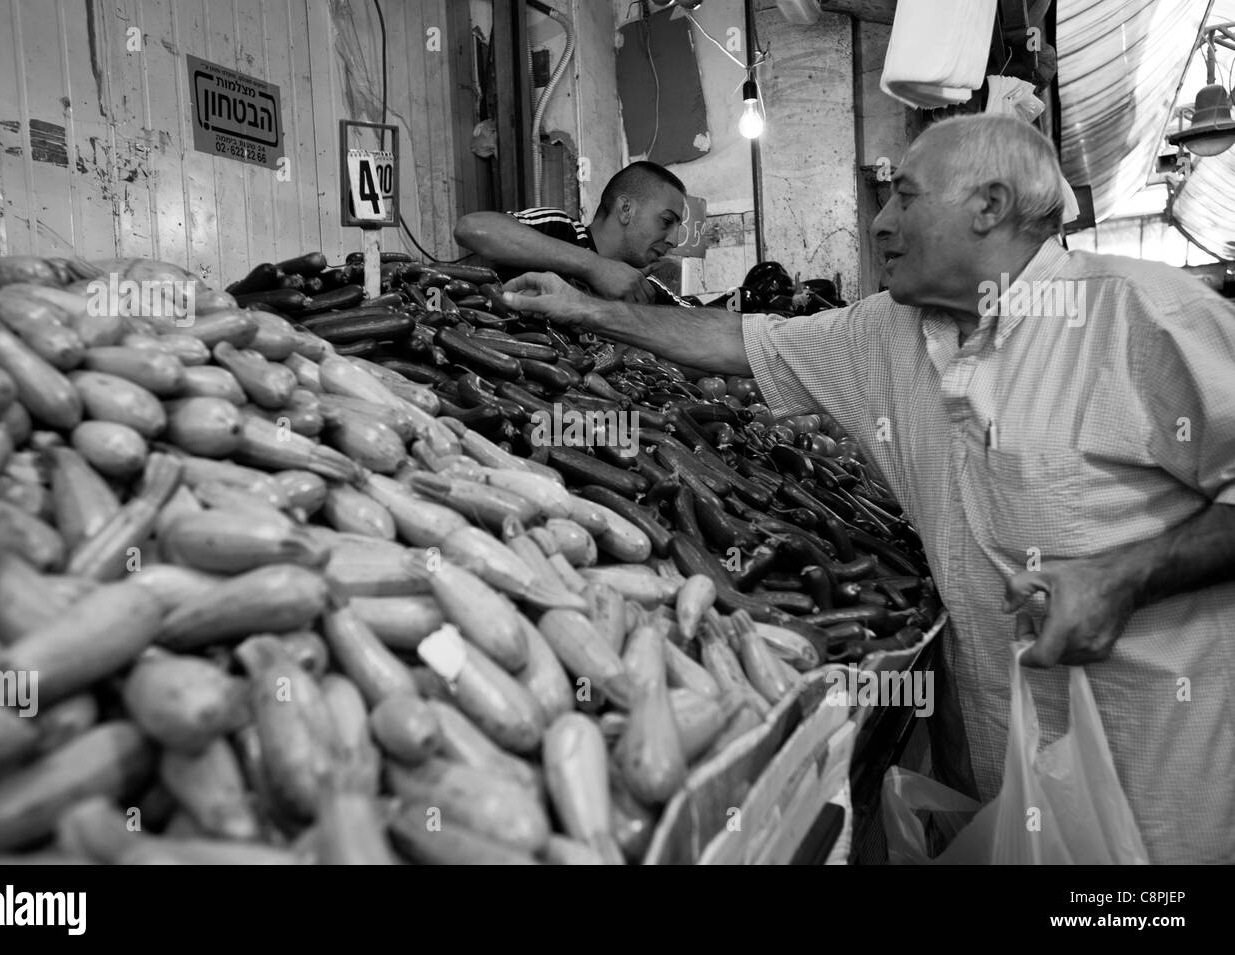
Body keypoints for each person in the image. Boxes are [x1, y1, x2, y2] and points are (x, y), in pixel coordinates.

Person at [501, 113, 1235, 865]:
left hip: (1155, 787)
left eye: (905, 198)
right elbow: (740, 342)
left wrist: (1129, 574)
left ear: (988, 205)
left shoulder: (1140, 315)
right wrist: (582, 307)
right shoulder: (887, 331)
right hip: (997, 777)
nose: (880, 222)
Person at [453, 161, 686, 303]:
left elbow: (704, 321)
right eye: (666, 221)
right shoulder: (561, 229)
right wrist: (594, 266)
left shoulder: (645, 287)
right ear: (626, 209)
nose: (674, 240)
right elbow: (472, 228)